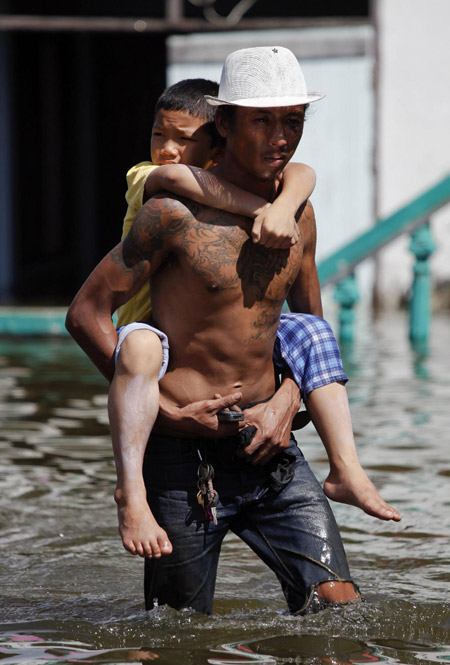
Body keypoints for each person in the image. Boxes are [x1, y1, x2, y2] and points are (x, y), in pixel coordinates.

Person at [66, 46, 399, 615]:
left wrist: (286, 403)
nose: (281, 138)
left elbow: (309, 328)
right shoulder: (171, 214)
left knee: (339, 608)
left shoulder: (300, 214)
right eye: (262, 120)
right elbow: (86, 315)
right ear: (224, 124)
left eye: (292, 121)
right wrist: (166, 413)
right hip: (181, 459)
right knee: (177, 632)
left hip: (271, 450)